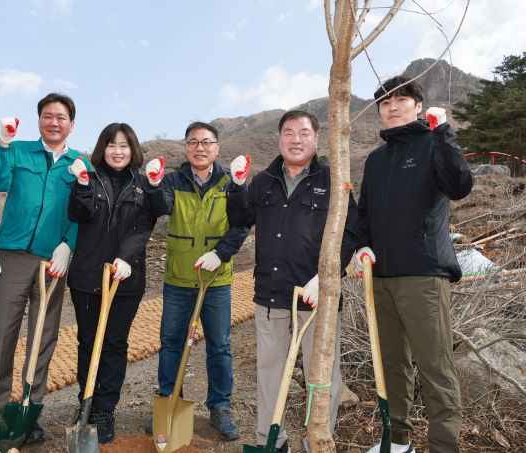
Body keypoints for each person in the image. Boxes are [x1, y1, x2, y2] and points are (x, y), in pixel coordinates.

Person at [225, 110, 360, 453]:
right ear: (279, 139)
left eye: (303, 132)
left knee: (322, 376)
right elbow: (241, 218)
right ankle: (271, 443)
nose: (296, 139)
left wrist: (325, 277)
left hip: (318, 298)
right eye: (288, 132)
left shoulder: (334, 180)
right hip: (271, 295)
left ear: (316, 139)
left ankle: (319, 440)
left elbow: (351, 232)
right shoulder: (264, 181)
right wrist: (237, 186)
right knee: (270, 373)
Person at [355, 75, 473, 453]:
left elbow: (460, 185)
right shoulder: (375, 159)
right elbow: (364, 214)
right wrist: (361, 248)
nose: (392, 106)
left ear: (418, 106)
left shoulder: (433, 142)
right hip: (381, 278)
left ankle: (443, 446)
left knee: (435, 366)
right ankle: (398, 440)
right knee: (392, 366)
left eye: (401, 99)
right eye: (385, 102)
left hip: (423, 275)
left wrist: (445, 134)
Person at [0, 93, 91, 449]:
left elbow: (83, 210)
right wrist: (3, 142)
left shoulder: (79, 162)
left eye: (61, 117)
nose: (53, 122)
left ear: (72, 124)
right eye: (47, 115)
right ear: (39, 120)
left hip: (52, 260)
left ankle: (29, 412)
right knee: (3, 336)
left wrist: (68, 244)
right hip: (13, 253)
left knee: (43, 338)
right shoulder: (19, 150)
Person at [142, 122, 249, 441]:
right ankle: (168, 403)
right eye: (193, 142)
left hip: (216, 278)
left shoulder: (230, 181)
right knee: (171, 342)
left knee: (219, 344)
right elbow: (161, 208)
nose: (199, 148)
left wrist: (221, 253)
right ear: (186, 148)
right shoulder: (174, 180)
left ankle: (219, 406)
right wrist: (152, 183)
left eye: (206, 142)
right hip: (179, 276)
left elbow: (242, 223)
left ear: (217, 148)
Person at [67, 123, 157, 444]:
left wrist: (125, 258)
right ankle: (86, 403)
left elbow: (145, 226)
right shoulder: (89, 179)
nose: (117, 151)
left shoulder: (145, 186)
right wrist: (80, 184)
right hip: (87, 277)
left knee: (115, 344)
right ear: (101, 149)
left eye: (123, 145)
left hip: (124, 278)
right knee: (88, 342)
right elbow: (78, 213)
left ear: (133, 149)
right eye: (111, 145)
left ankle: (105, 408)